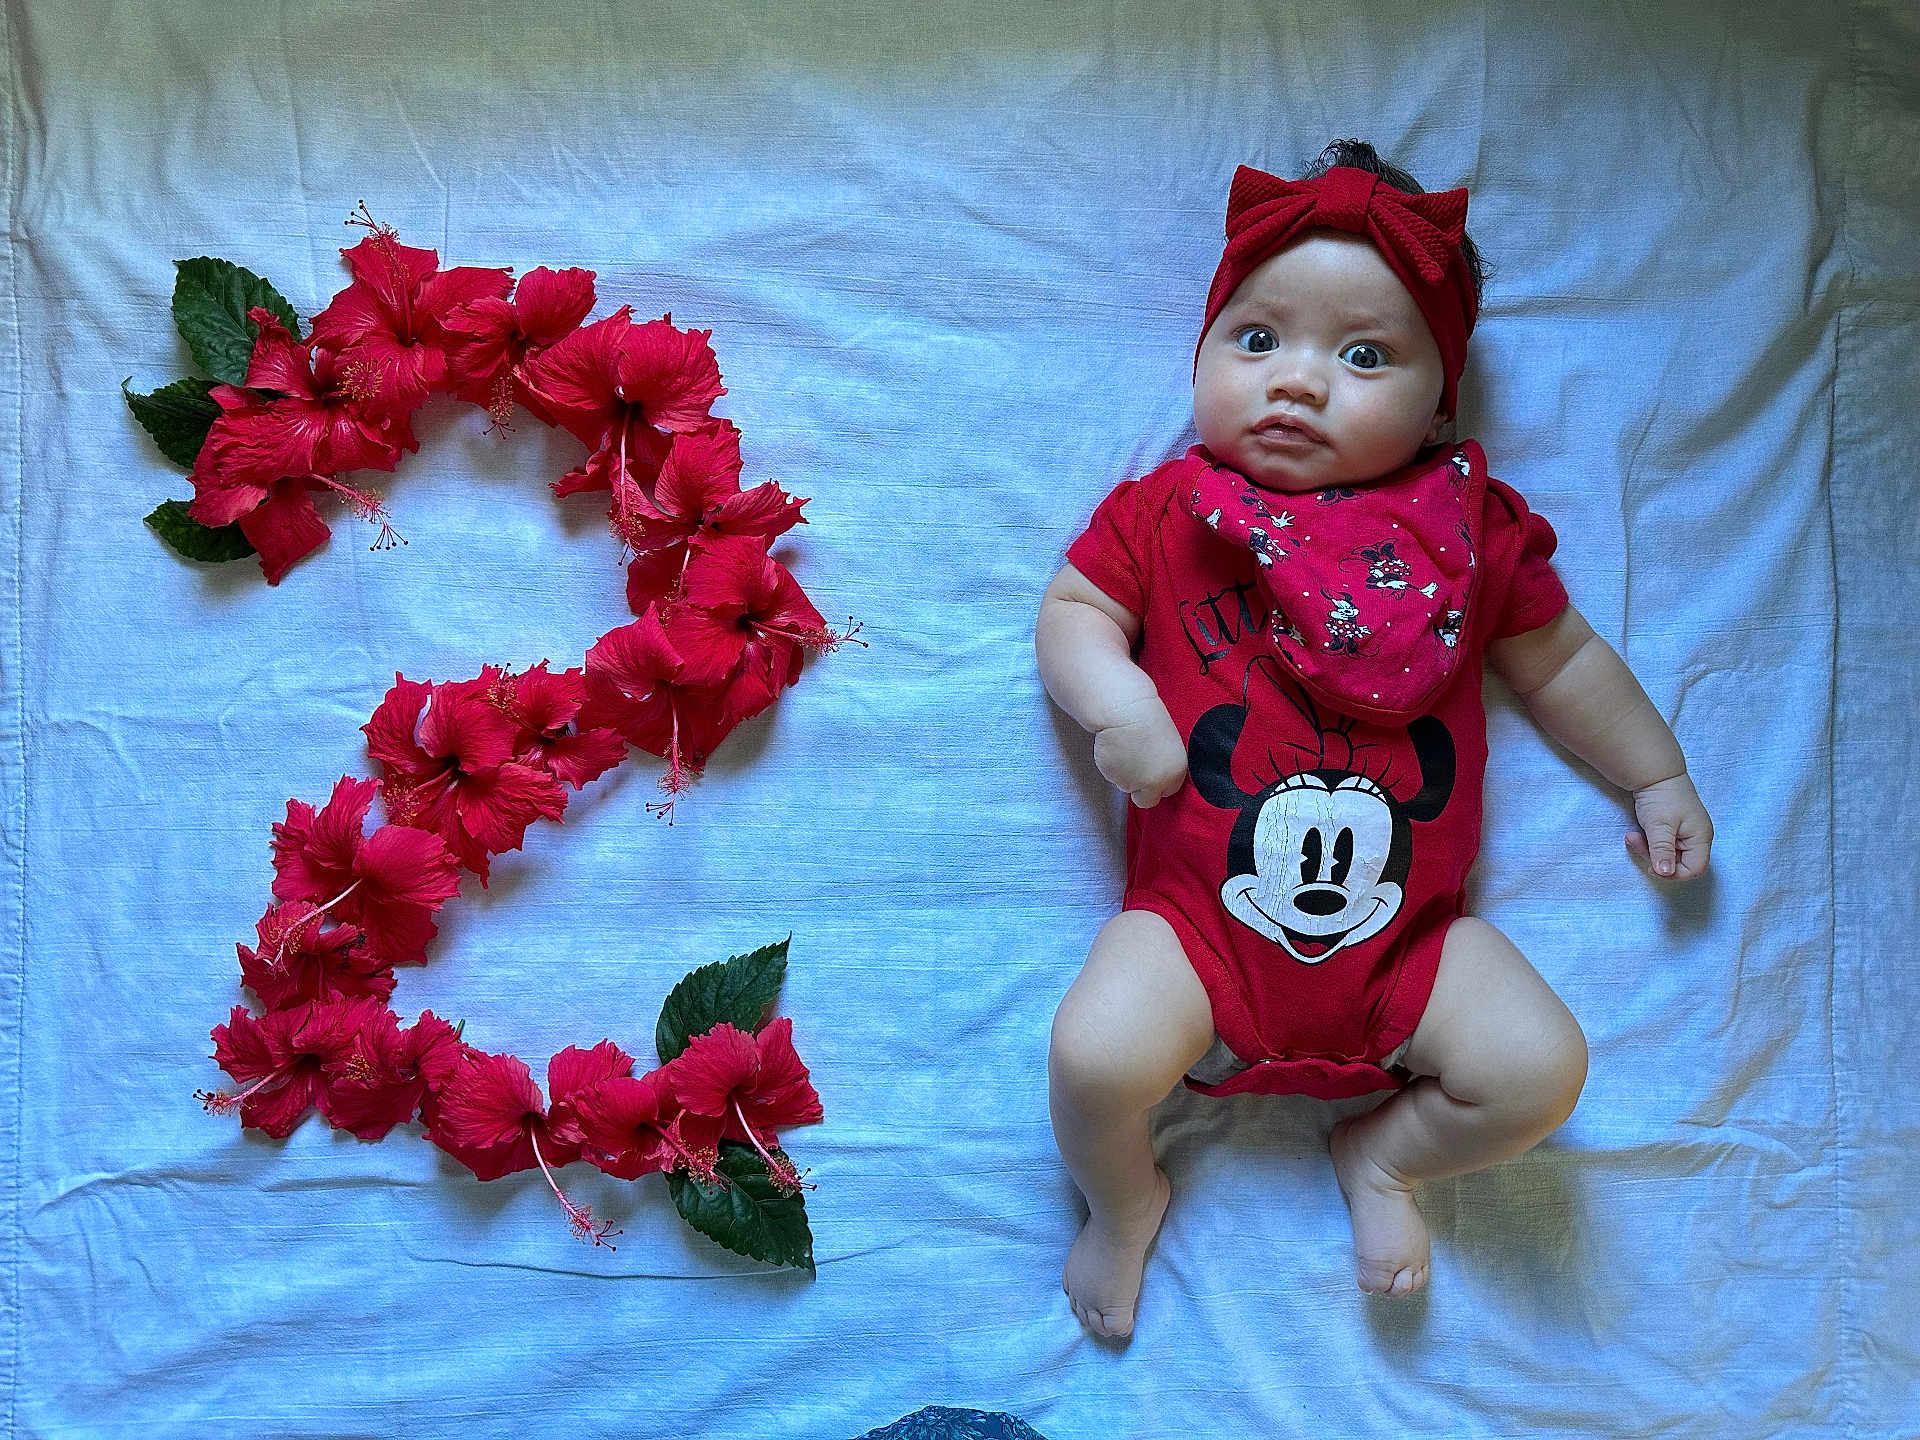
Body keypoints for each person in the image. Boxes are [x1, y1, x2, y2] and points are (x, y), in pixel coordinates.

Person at [1035, 139, 1714, 1338]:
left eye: (1362, 356)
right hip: (1195, 940)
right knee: (1093, 1059)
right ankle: (1123, 1198)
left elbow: (1562, 663)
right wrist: (1118, 704)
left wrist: (1654, 773)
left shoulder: (1470, 535)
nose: (1297, 383)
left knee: (1541, 1071)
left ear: (1441, 401)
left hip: (1410, 952)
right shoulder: (1168, 513)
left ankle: (1389, 1157)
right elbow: (1075, 611)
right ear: (1202, 352)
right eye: (1257, 339)